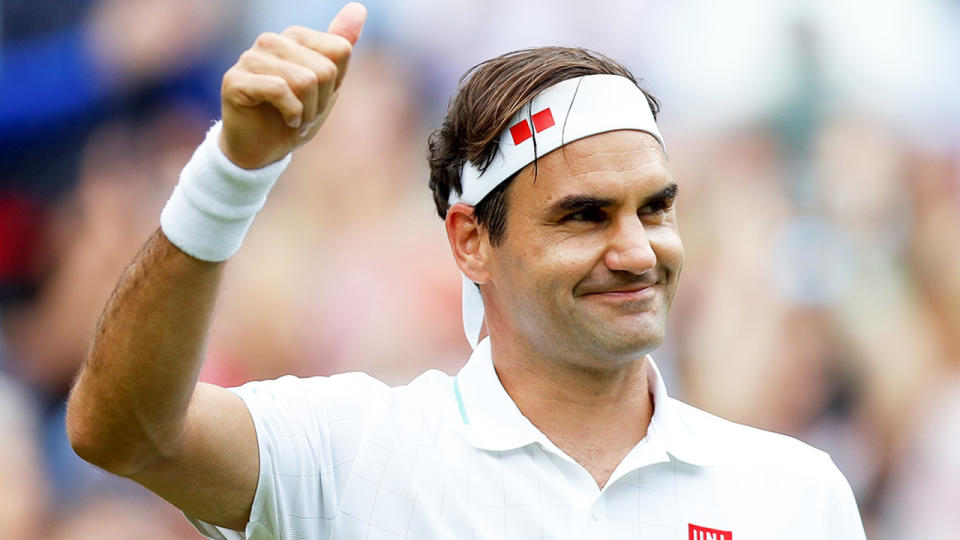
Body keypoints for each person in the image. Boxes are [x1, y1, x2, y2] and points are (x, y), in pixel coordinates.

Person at [65, 3, 867, 539]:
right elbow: (122, 430)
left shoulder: (797, 492)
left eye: (654, 209)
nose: (636, 250)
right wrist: (230, 175)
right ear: (470, 241)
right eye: (585, 215)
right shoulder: (354, 452)